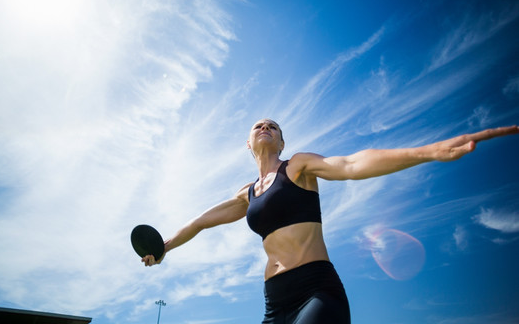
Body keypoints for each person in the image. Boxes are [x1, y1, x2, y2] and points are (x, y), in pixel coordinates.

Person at [142, 119, 518, 324]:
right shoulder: (247, 194)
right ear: (248, 144)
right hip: (274, 304)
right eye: (258, 126)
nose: (265, 128)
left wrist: (429, 152)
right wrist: (165, 248)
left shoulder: (299, 166)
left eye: (273, 127)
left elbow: (352, 163)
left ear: (282, 143)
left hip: (316, 291)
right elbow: (200, 222)